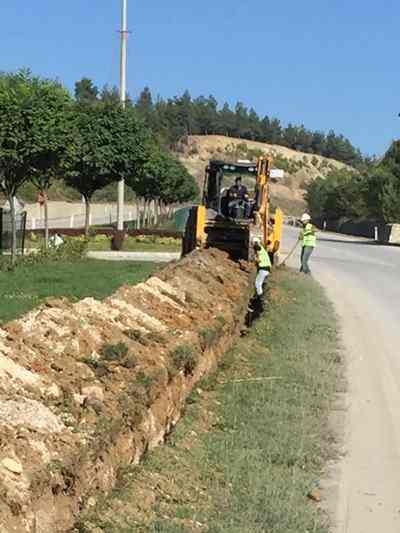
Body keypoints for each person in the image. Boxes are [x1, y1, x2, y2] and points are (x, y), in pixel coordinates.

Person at [251, 237, 271, 312]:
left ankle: (261, 299)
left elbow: (257, 247)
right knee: (259, 283)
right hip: (266, 269)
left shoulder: (258, 248)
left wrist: (255, 259)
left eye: (252, 243)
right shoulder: (261, 250)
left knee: (257, 284)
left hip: (264, 269)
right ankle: (258, 297)